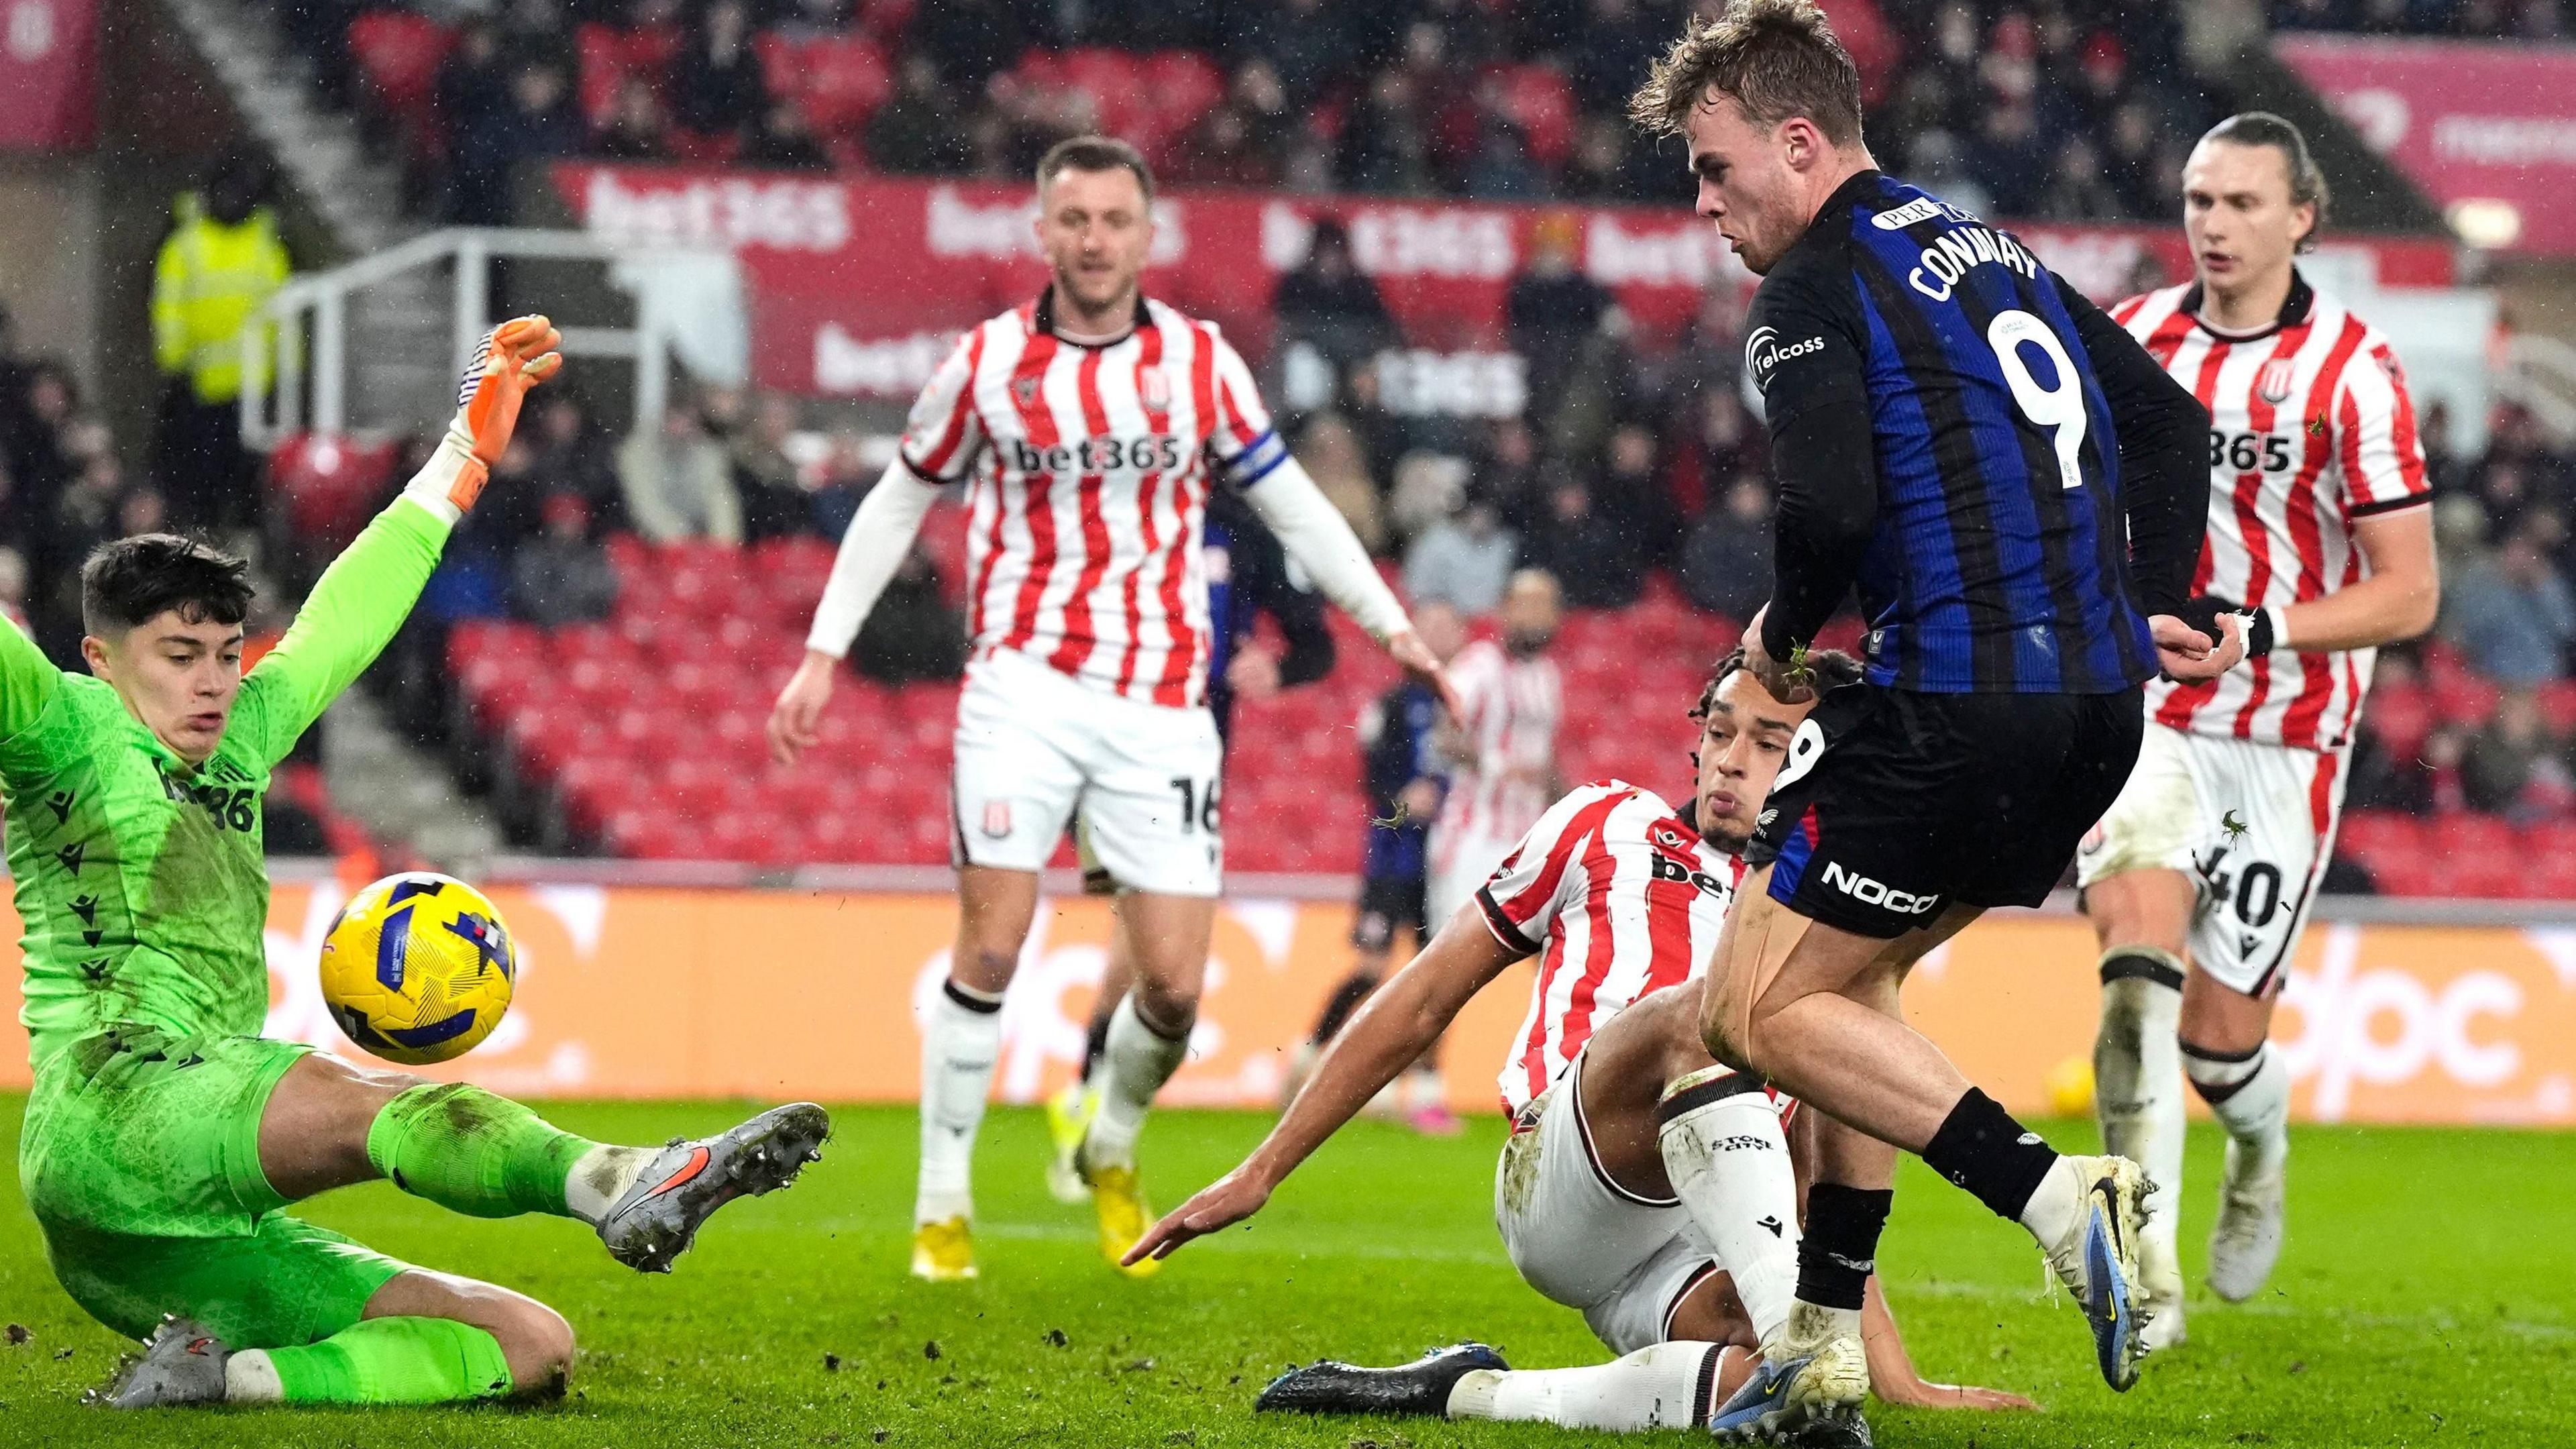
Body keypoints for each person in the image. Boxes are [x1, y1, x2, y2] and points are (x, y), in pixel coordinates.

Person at [1622, 3, 2238, 1431]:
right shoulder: (1989, 248)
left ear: (1797, 139)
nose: (1703, 205)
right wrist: (2150, 598)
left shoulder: (1814, 291)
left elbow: (1827, 503)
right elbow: (2170, 424)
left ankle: (2049, 1188)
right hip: (2094, 715)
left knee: (1750, 1008)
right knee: (1846, 997)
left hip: (1963, 700)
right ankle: (1826, 1348)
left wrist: (1779, 639)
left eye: (1715, 170)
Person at [28, 318, 828, 1410]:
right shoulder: (62, 724)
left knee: (528, 1343)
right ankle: (616, 1181)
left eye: (225, 655)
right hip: (116, 1108)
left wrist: (464, 455)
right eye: (179, 658)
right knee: (369, 1106)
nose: (214, 683)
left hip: (179, 1230)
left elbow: (347, 612)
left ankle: (227, 1380)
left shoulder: (248, 730)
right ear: (100, 659)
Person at [765, 137, 1458, 1283]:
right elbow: (897, 503)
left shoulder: (1198, 364)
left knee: (1175, 990)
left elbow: (1296, 510)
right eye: (1073, 219)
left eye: (1113, 220)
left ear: (1147, 234)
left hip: (1161, 704)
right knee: (992, 942)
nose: (1093, 240)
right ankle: (942, 1205)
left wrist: (1392, 628)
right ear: (1041, 232)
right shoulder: (987, 364)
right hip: (1022, 687)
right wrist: (821, 655)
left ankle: (1113, 1138)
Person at [1131, 650, 2033, 1438]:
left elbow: (1824, 1177)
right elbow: (1422, 999)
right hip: (1568, 1171)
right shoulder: (1608, 822)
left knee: (1751, 1373)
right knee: (1709, 1014)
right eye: (1721, 731)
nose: (1729, 760)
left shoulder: (1825, 920)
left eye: (1767, 744)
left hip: (1697, 1235)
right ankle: (1807, 1363)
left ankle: (1468, 1395)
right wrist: (1263, 1170)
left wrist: (1895, 1376)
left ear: (1816, 764)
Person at [2080, 112, 2437, 1349]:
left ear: (2303, 217)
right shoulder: (2132, 340)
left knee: (2220, 1040)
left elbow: (2411, 590)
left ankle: (2260, 1144)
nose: (2214, 224)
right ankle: (2149, 1279)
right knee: (2134, 981)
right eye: (2198, 199)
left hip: (2287, 730)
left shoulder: (2355, 370)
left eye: (2242, 203)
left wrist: (2266, 630)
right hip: (2155, 712)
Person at [1045, 482, 1346, 1193]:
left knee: (1156, 956)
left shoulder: (1238, 532)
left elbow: (1316, 642)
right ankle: (1097, 1121)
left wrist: (1276, 666)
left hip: (1194, 767)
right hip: (1108, 754)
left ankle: (1085, 1105)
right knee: (1150, 942)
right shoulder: (1104, 510)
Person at [1289, 599, 1468, 1134]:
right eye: (1428, 627)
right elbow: (1372, 791)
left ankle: (1428, 1093)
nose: (1437, 637)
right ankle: (1309, 1058)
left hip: (1445, 866)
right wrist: (1400, 808)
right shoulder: (1392, 705)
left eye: (1446, 626)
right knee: (1371, 970)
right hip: (1393, 859)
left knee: (1440, 980)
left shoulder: (1468, 705)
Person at [152, 155, 290, 535]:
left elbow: (284, 314)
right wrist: (175, 367)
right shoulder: (186, 245)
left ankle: (242, 543)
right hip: (202, 388)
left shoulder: (265, 246)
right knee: (203, 481)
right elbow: (170, 309)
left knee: (249, 484)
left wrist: (289, 372)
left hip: (253, 391)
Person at [1426, 568, 1564, 934]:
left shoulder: (1548, 676)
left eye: (1546, 606)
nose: (1537, 616)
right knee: (1455, 958)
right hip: (1475, 836)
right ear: (1505, 610)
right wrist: (1497, 764)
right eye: (1527, 605)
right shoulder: (1479, 665)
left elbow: (1547, 759)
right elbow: (1442, 737)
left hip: (1530, 842)